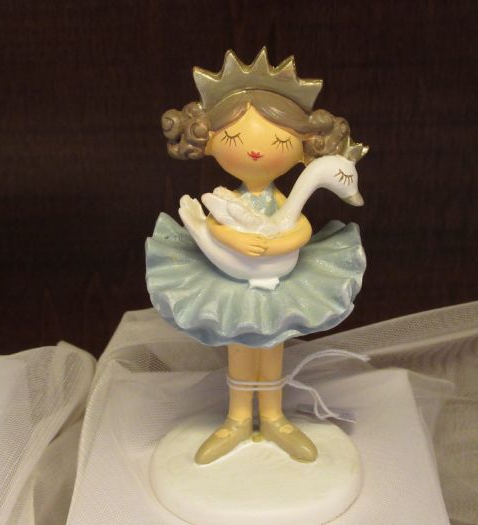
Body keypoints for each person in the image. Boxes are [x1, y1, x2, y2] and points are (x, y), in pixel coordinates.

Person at [146, 48, 366, 464]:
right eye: (233, 139)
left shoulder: (282, 199)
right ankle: (237, 418)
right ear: (208, 142)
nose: (255, 153)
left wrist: (276, 245)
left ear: (304, 149)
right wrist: (237, 240)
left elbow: (300, 228)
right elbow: (215, 224)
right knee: (241, 343)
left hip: (275, 282)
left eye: (280, 141)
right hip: (235, 282)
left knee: (273, 343)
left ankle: (274, 416)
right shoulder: (231, 198)